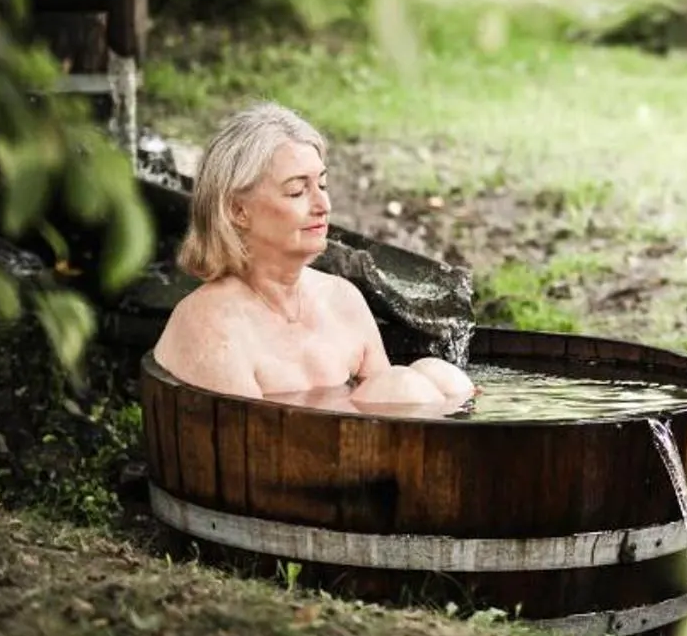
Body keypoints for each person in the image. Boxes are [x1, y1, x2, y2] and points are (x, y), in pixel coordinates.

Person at [152, 103, 474, 415]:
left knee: (443, 378)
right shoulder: (212, 325)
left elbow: (390, 409)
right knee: (404, 386)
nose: (323, 204)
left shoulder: (342, 299)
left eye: (322, 184)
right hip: (281, 462)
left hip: (364, 455)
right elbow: (251, 449)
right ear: (238, 211)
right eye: (297, 191)